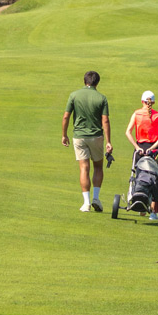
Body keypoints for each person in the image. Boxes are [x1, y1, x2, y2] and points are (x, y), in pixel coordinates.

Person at [60, 70, 112, 212]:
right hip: (96, 136)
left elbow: (66, 117)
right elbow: (105, 120)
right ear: (97, 82)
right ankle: (96, 197)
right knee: (98, 167)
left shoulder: (74, 95)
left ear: (85, 81)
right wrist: (108, 141)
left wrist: (64, 135)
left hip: (79, 136)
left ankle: (86, 203)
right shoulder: (102, 98)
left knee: (84, 168)